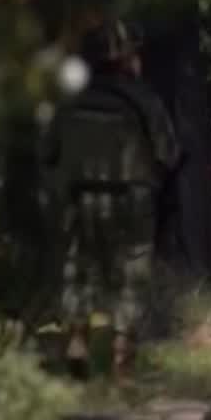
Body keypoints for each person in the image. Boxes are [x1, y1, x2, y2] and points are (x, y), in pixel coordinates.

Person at [44, 19, 181, 380]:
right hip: (130, 200)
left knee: (78, 270)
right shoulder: (143, 99)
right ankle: (122, 360)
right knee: (131, 275)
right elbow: (168, 152)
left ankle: (76, 342)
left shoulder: (70, 100)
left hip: (79, 199)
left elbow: (48, 152)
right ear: (124, 58)